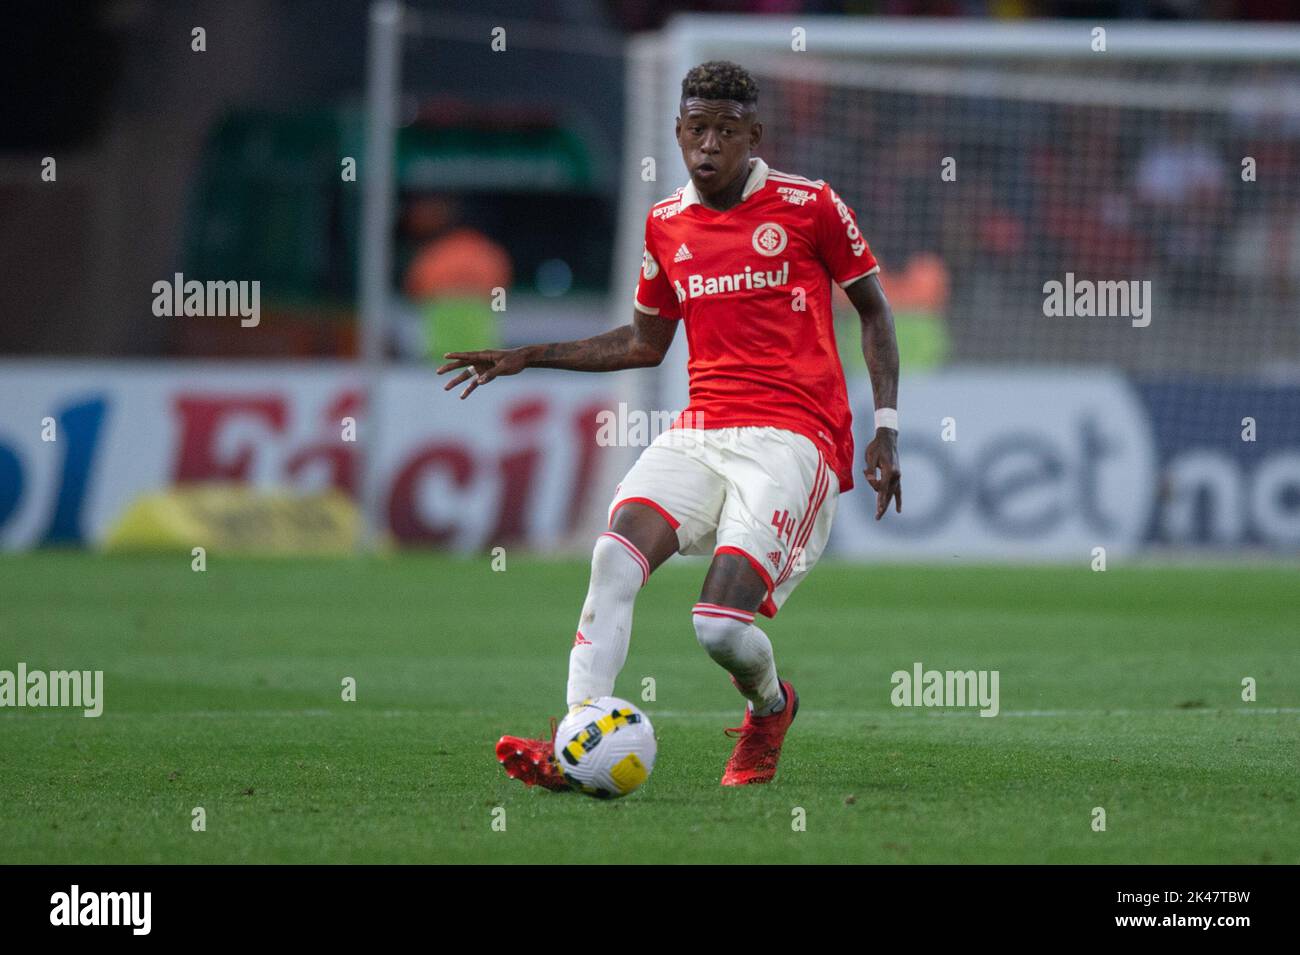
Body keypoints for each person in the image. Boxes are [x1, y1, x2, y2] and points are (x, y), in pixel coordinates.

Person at [437, 61, 902, 788]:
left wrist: (887, 425)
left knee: (717, 626)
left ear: (753, 135)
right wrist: (529, 354)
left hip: (793, 436)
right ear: (678, 132)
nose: (707, 145)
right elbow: (643, 343)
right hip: (699, 430)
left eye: (724, 131)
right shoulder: (666, 223)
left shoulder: (810, 206)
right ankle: (574, 739)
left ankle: (769, 709)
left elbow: (874, 309)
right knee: (613, 560)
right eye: (695, 130)